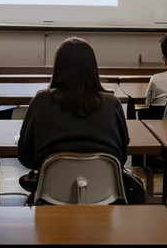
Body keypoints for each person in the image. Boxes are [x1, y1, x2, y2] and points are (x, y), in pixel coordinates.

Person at [17, 37, 145, 204]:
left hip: (51, 199)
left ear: (58, 67)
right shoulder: (112, 104)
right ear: (93, 68)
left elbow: (25, 157)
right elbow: (121, 155)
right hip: (106, 200)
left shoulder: (41, 101)